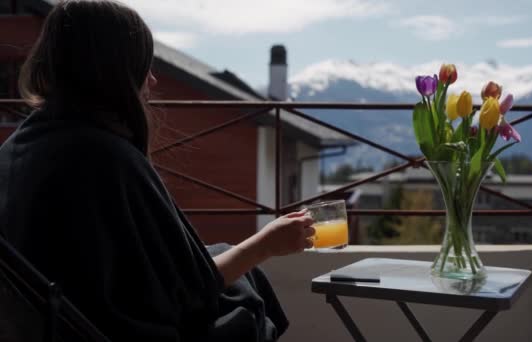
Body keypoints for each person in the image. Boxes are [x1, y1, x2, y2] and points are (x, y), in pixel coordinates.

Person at [0, 0, 315, 340]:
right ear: (114, 72)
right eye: (142, 67)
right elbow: (191, 291)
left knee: (228, 261)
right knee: (246, 301)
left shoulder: (19, 147)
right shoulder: (107, 160)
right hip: (118, 331)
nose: (150, 80)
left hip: (63, 323)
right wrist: (266, 244)